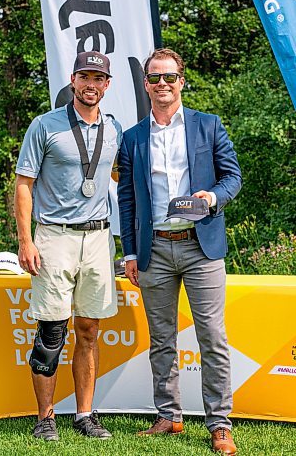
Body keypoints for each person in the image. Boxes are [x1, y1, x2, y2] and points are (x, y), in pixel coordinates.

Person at [117, 48, 242, 455]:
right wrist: (130, 253)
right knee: (162, 339)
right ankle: (168, 416)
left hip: (201, 246)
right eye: (154, 78)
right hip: (155, 251)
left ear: (181, 81)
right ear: (146, 84)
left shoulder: (209, 126)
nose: (162, 84)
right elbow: (127, 199)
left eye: (169, 77)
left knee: (212, 337)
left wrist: (213, 198)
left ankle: (219, 424)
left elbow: (233, 177)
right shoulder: (133, 137)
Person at [14, 51, 122, 441]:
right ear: (73, 80)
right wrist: (25, 240)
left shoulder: (115, 129)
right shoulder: (45, 125)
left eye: (99, 78)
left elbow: (119, 175)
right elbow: (23, 184)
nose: (91, 85)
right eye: (85, 77)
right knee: (52, 331)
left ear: (107, 85)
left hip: (97, 237)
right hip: (54, 236)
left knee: (89, 330)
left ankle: (84, 415)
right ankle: (45, 419)